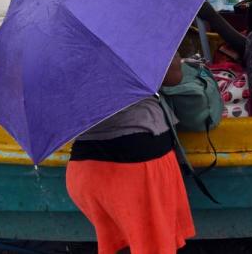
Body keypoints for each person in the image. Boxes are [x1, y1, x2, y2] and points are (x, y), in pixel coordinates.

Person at [66, 54, 195, 253]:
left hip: (84, 169)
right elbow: (174, 75)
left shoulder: (66, 47)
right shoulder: (130, 35)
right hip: (139, 169)